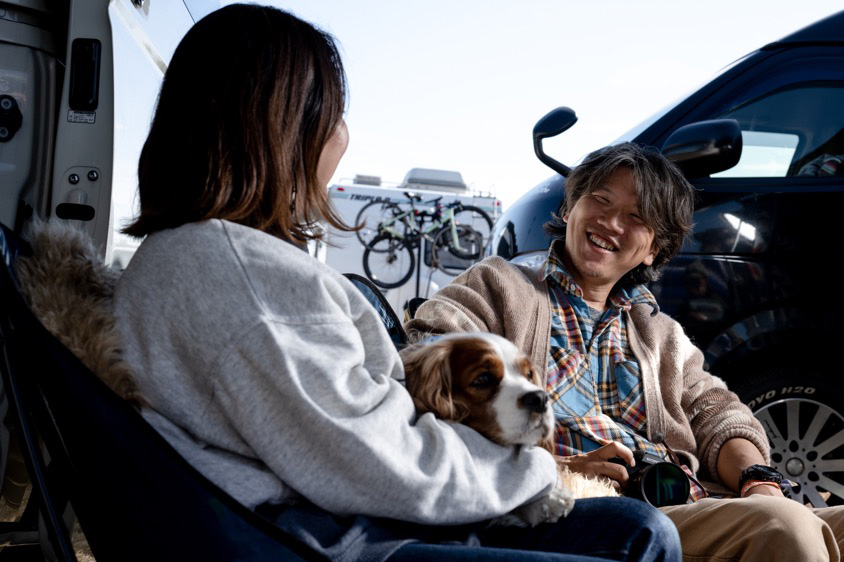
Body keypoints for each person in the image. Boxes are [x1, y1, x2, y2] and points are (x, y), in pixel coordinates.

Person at [112, 5, 681, 561]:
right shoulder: (241, 274)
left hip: (317, 513)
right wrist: (539, 473)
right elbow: (367, 458)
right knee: (643, 536)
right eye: (331, 113)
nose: (342, 134)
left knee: (635, 525)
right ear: (279, 129)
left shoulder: (201, 256)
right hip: (324, 534)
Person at [405, 142, 844, 561]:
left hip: (694, 497)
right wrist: (557, 468)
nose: (611, 223)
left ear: (653, 249)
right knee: (784, 525)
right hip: (607, 516)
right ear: (570, 207)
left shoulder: (659, 332)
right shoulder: (501, 286)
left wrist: (756, 478)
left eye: (636, 217)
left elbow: (718, 412)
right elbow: (424, 359)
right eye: (600, 199)